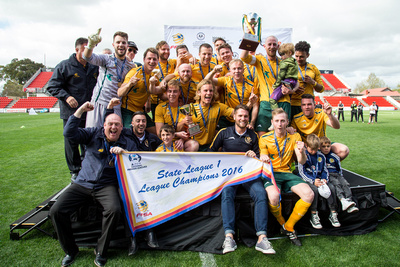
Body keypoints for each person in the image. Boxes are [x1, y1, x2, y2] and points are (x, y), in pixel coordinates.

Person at [49, 102, 138, 267]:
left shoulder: (127, 142)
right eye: (110, 124)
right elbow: (69, 133)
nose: (113, 127)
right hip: (82, 183)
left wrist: (125, 154)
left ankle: (101, 250)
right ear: (104, 125)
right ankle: (71, 250)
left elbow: (136, 161)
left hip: (106, 186)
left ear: (122, 128)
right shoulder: (92, 134)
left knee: (114, 210)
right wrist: (80, 111)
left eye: (117, 125)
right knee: (56, 210)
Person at [208, 104, 275, 254]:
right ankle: (229, 237)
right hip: (230, 175)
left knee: (260, 194)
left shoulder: (252, 136)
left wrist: (254, 156)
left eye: (245, 116)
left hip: (248, 175)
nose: (243, 118)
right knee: (226, 194)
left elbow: (259, 159)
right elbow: (210, 153)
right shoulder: (224, 133)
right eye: (240, 116)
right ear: (234, 117)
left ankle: (262, 238)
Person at [259, 108, 314, 246]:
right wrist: (263, 156)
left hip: (288, 173)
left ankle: (288, 227)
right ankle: (282, 222)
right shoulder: (264, 138)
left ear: (287, 122)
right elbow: (263, 156)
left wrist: (301, 152)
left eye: (282, 121)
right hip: (271, 173)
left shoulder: (295, 137)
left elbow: (301, 161)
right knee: (273, 197)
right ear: (272, 122)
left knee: (309, 194)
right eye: (277, 121)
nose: (279, 124)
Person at [47, 37, 99, 181]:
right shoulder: (64, 66)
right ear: (77, 50)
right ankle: (75, 171)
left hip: (89, 113)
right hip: (72, 113)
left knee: (88, 140)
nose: (88, 52)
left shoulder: (93, 66)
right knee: (71, 141)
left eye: (91, 49)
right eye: (85, 49)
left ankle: (87, 167)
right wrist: (66, 96)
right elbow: (52, 86)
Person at [83, 29, 135, 128]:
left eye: (123, 43)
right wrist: (90, 45)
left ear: (127, 46)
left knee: (114, 138)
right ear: (113, 45)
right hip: (99, 104)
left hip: (116, 106)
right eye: (118, 42)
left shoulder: (130, 65)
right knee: (93, 136)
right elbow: (87, 57)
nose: (121, 45)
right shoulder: (106, 59)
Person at [241, 36, 292, 136]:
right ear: (264, 46)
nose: (272, 47)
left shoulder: (285, 63)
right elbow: (243, 56)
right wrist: (249, 35)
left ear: (278, 46)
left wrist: (289, 89)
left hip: (283, 102)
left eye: (274, 44)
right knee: (262, 135)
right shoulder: (259, 60)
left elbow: (293, 83)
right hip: (266, 103)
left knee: (282, 136)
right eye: (269, 44)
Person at [298, 134, 341, 229]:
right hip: (309, 180)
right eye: (311, 149)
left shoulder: (321, 155)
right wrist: (313, 181)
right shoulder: (303, 154)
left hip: (320, 180)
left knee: (332, 188)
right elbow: (301, 172)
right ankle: (314, 214)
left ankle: (333, 213)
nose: (313, 152)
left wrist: (325, 178)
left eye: (316, 149)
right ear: (306, 146)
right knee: (314, 191)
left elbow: (325, 170)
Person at [118, 48, 165, 132]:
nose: (152, 61)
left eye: (154, 59)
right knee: (129, 134)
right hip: (128, 110)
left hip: (140, 110)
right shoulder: (135, 72)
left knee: (156, 132)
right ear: (144, 60)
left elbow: (159, 93)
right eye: (149, 58)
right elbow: (119, 93)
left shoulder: (155, 75)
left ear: (158, 61)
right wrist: (129, 84)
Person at [291, 94, 349, 160]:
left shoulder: (321, 113)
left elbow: (336, 126)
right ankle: (309, 165)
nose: (306, 107)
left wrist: (329, 115)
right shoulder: (296, 118)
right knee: (296, 151)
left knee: (344, 150)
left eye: (309, 104)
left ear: (314, 105)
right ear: (301, 106)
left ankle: (327, 164)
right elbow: (293, 134)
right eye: (304, 105)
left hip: (322, 145)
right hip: (307, 147)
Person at [179, 79, 234, 151]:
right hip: (195, 144)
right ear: (199, 92)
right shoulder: (190, 108)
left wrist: (246, 119)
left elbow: (237, 113)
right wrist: (183, 121)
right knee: (193, 145)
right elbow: (178, 128)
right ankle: (189, 162)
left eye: (211, 91)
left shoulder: (218, 107)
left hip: (210, 144)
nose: (209, 93)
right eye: (205, 90)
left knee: (222, 144)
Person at [204, 60, 259, 129]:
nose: (237, 71)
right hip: (228, 117)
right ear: (230, 70)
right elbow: (206, 81)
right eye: (234, 69)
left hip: (243, 118)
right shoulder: (226, 80)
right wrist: (214, 71)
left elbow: (255, 106)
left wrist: (252, 123)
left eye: (239, 68)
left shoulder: (251, 86)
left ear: (243, 69)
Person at [154, 79, 199, 151]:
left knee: (194, 144)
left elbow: (194, 131)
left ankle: (186, 162)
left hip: (179, 141)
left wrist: (182, 139)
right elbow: (159, 133)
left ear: (179, 92)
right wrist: (177, 134)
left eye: (175, 91)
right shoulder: (160, 108)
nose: (172, 94)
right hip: (165, 140)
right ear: (166, 92)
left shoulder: (186, 108)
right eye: (170, 91)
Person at [320, 136, 359, 213]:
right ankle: (342, 200)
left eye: (328, 146)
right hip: (328, 175)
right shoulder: (320, 156)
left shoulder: (334, 157)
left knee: (345, 184)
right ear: (320, 147)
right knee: (336, 184)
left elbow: (339, 167)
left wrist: (340, 175)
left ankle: (349, 200)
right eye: (324, 146)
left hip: (336, 174)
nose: (326, 148)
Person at [291, 41, 325, 119]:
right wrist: (293, 89)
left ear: (307, 55)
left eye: (302, 57)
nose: (298, 59)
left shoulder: (313, 68)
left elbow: (321, 89)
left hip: (308, 106)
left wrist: (313, 82)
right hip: (293, 104)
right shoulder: (290, 67)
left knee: (307, 130)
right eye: (296, 56)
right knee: (292, 130)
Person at [270, 43, 298, 110]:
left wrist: (275, 85)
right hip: (293, 82)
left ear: (290, 52)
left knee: (272, 99)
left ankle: (276, 113)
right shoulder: (295, 61)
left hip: (286, 82)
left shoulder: (284, 62)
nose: (281, 57)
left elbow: (281, 75)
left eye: (282, 54)